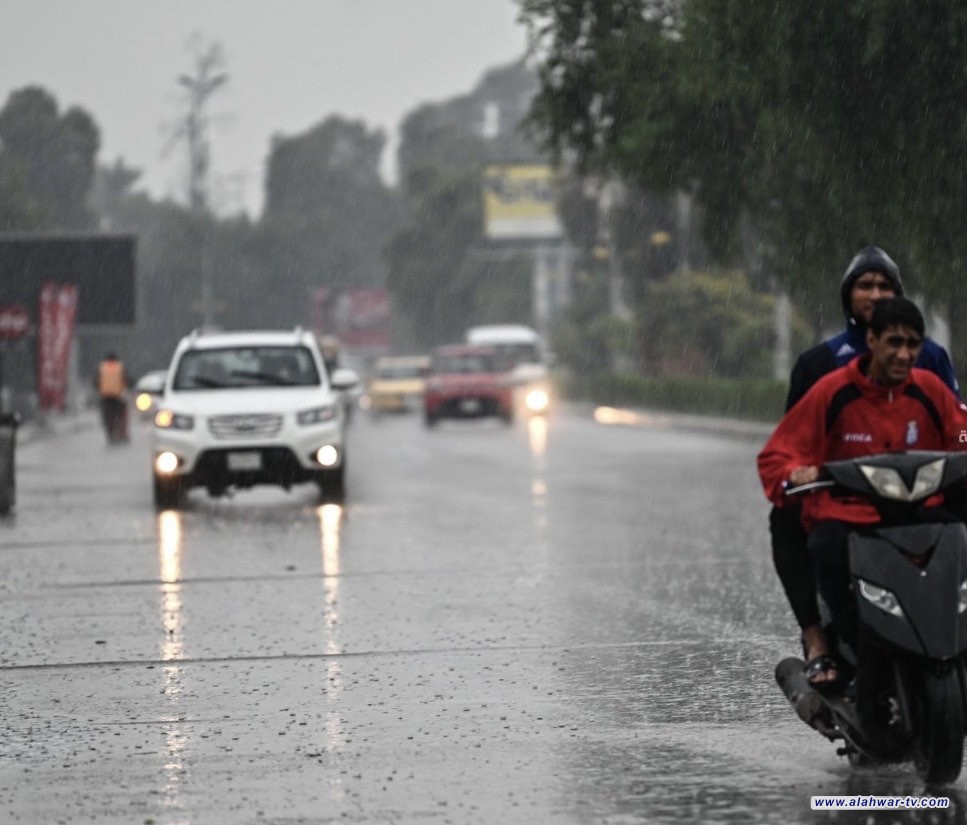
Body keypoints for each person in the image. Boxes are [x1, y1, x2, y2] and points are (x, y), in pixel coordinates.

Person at [769, 246, 960, 686]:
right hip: (844, 498)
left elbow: (957, 425)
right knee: (788, 518)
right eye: (864, 285)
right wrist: (802, 470)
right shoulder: (819, 366)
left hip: (919, 492)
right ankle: (819, 639)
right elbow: (792, 440)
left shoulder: (930, 361)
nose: (874, 293)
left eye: (884, 285)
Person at [95, 352, 130, 443]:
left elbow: (96, 382)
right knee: (121, 416)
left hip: (105, 397)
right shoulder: (120, 367)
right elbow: (126, 380)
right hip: (118, 397)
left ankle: (110, 434)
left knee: (107, 417)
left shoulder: (101, 368)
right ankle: (121, 433)